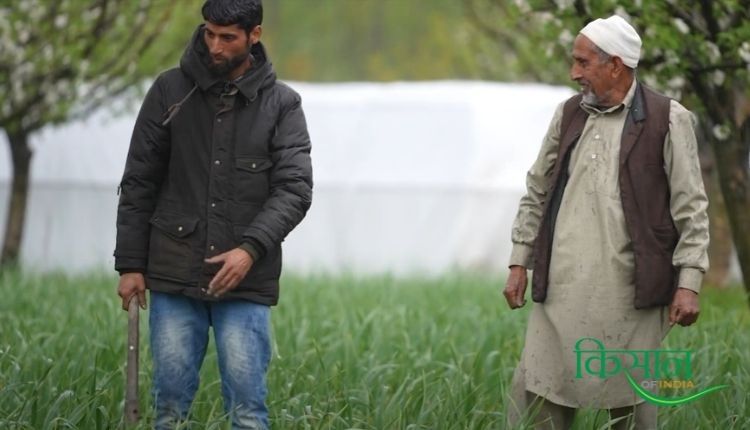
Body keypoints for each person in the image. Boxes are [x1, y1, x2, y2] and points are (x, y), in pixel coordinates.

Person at [503, 15, 709, 429]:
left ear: (615, 65)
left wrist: (689, 282)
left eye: (583, 63)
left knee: (631, 406)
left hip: (630, 294)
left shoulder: (669, 119)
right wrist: (518, 260)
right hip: (559, 290)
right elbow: (537, 190)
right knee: (537, 400)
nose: (574, 73)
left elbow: (692, 208)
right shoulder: (568, 115)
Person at [114, 0, 312, 428]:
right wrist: (130, 264)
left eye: (228, 38)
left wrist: (249, 250)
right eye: (209, 34)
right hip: (172, 274)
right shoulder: (169, 91)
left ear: (253, 35)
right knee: (168, 411)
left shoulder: (282, 104)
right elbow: (138, 181)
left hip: (246, 282)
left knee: (247, 412)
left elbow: (295, 190)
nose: (215, 47)